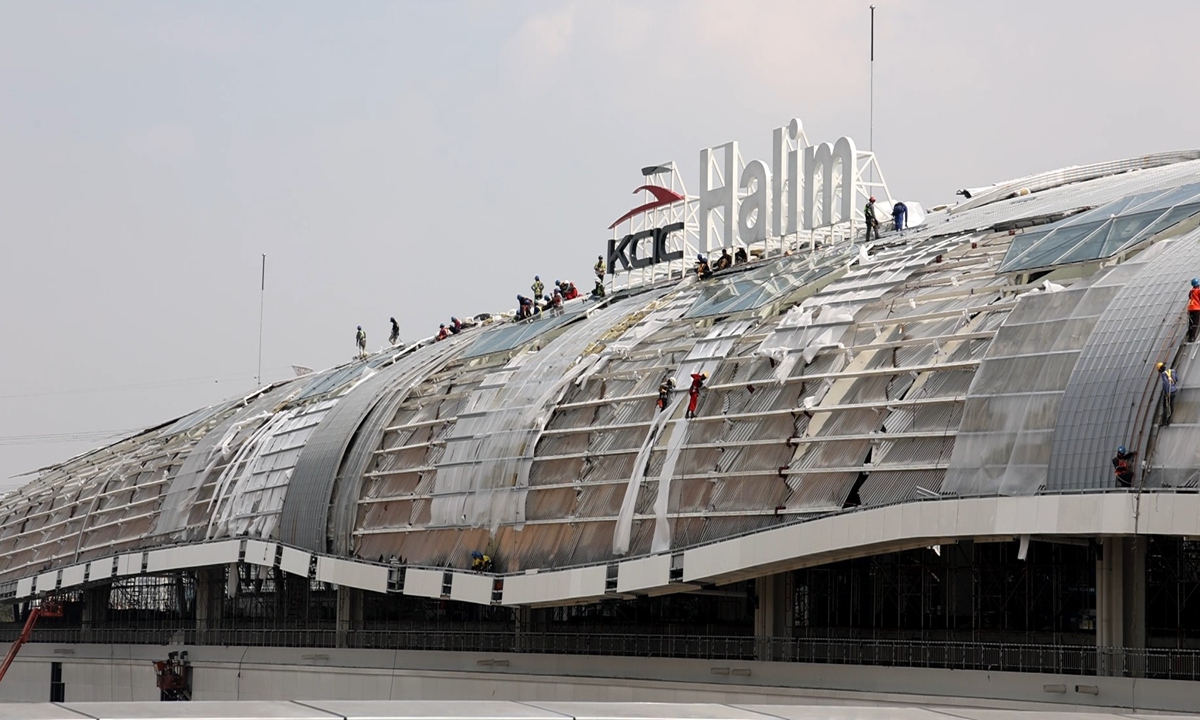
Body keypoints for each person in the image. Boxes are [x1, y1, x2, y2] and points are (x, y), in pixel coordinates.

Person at [1158, 362, 1179, 427]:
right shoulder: (1172, 371)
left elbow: (1165, 383)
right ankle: (1169, 419)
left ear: (1160, 369)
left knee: (1165, 406)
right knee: (1171, 405)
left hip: (1169, 392)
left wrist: (1167, 393)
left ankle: (1164, 421)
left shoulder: (1163, 374)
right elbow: (1177, 379)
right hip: (1174, 391)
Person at [1188, 278, 1200, 343]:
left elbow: (1190, 297)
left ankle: (1190, 337)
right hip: (1196, 308)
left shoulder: (1191, 291)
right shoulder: (1198, 291)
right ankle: (1193, 337)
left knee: (1191, 323)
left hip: (1190, 308)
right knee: (1195, 323)